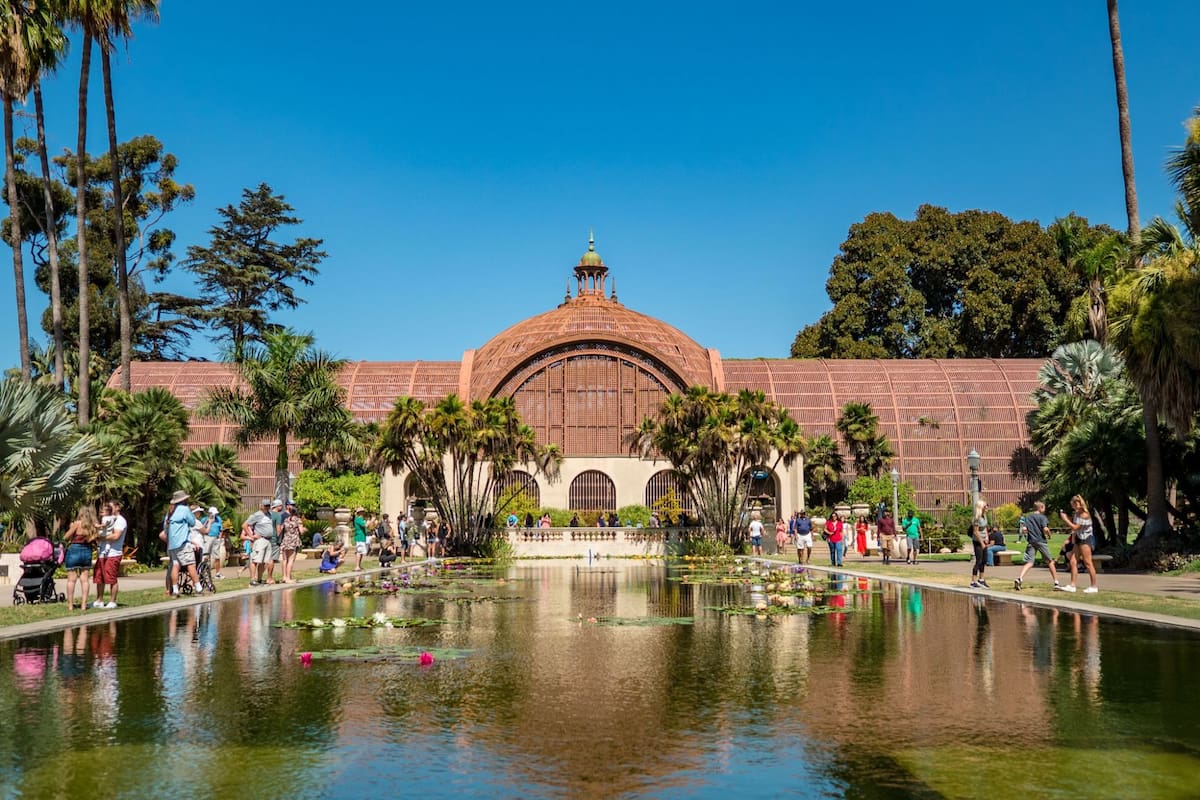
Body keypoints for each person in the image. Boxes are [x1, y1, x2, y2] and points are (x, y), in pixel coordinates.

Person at [1013, 501, 1061, 591]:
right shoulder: (1042, 517)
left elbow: (1024, 529)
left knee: (1029, 562)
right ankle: (1056, 582)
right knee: (1050, 561)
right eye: (1044, 508)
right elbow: (1045, 528)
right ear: (1041, 508)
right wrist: (1049, 535)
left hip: (1031, 541)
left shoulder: (1028, 517)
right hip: (1041, 541)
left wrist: (1026, 532)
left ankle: (1020, 578)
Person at [163, 490, 203, 597]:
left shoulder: (170, 512)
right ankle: (198, 587)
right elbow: (193, 522)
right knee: (190, 564)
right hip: (182, 543)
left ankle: (175, 589)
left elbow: (165, 529)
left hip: (172, 545)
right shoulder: (184, 510)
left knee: (175, 565)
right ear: (184, 500)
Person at [1059, 495, 1099, 593]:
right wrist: (1072, 540)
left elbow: (1075, 527)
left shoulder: (1084, 514)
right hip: (1078, 539)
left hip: (1085, 539)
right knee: (1073, 561)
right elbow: (1075, 530)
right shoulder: (1077, 513)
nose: (1073, 506)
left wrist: (1065, 519)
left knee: (1088, 562)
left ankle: (1094, 586)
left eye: (1075, 504)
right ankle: (1072, 585)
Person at [92, 500, 127, 609]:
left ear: (117, 507)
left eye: (110, 507)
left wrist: (101, 537)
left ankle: (112, 601)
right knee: (99, 577)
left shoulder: (120, 521)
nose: (108, 509)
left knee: (111, 577)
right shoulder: (106, 519)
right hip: (102, 552)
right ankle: (99, 600)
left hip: (113, 553)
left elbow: (116, 536)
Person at [64, 507, 98, 611]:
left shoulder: (77, 524)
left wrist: (71, 527)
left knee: (71, 580)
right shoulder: (93, 526)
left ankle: (70, 605)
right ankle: (84, 605)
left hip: (74, 550)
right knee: (85, 580)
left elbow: (66, 537)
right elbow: (94, 538)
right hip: (86, 551)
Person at [242, 499, 276, 585]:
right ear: (261, 506)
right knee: (255, 560)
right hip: (260, 540)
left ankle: (260, 579)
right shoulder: (257, 515)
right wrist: (251, 536)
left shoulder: (269, 515)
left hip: (268, 540)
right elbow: (245, 525)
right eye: (265, 506)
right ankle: (253, 579)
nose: (267, 507)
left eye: (268, 506)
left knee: (264, 561)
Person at [969, 499, 990, 589]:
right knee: (979, 560)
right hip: (978, 541)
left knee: (984, 560)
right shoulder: (976, 518)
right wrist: (981, 542)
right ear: (981, 507)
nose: (987, 508)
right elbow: (976, 532)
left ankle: (981, 579)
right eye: (985, 506)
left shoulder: (984, 516)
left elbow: (985, 528)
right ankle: (973, 581)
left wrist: (987, 537)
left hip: (984, 540)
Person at [280, 504, 303, 583]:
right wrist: (305, 529)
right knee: (290, 560)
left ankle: (284, 577)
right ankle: (288, 578)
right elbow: (301, 531)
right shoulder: (298, 520)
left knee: (284, 560)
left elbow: (281, 529)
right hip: (293, 541)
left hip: (285, 540)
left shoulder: (286, 520)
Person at [203, 505, 226, 579]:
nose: (215, 515)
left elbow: (221, 529)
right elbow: (202, 528)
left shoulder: (218, 519)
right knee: (206, 556)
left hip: (216, 538)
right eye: (213, 514)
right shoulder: (204, 519)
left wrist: (220, 536)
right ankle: (205, 573)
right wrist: (208, 521)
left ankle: (218, 573)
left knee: (217, 556)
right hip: (207, 537)